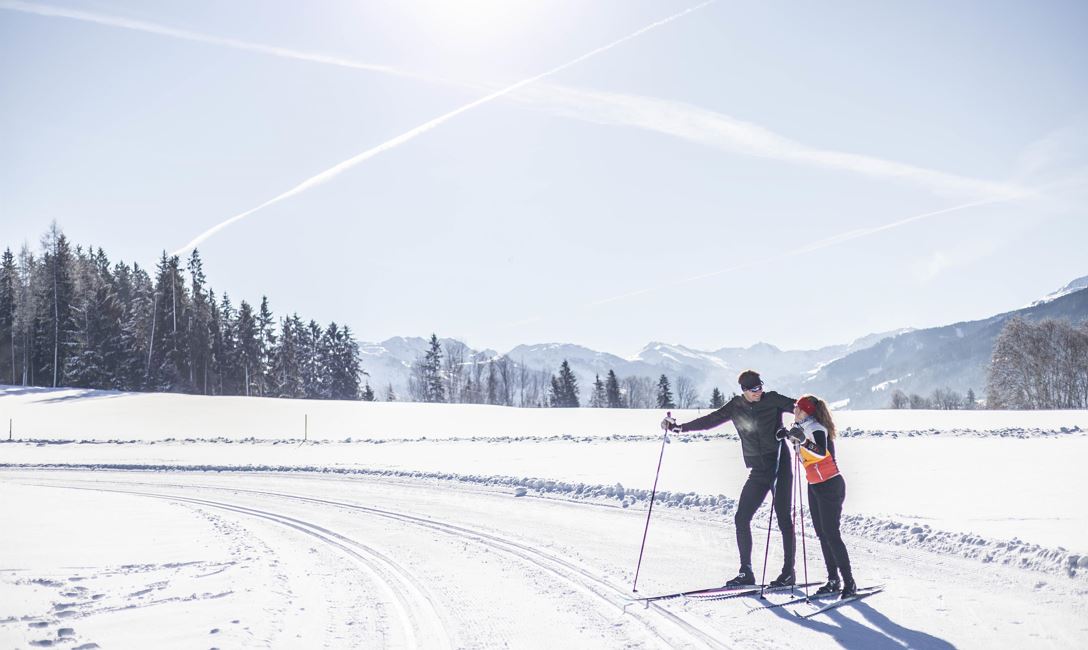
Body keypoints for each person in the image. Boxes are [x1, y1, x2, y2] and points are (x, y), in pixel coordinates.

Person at [662, 370, 797, 588]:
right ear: (744, 390)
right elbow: (709, 421)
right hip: (758, 469)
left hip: (779, 464)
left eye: (760, 386)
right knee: (741, 517)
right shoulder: (736, 406)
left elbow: (798, 407)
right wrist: (679, 428)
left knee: (783, 518)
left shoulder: (772, 399)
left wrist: (799, 421)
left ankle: (788, 572)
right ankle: (746, 572)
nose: (759, 392)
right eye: (754, 389)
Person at [777, 394, 857, 599]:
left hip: (830, 485)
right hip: (815, 486)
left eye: (798, 409)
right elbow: (804, 453)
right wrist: (787, 435)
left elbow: (821, 452)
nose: (794, 411)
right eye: (795, 408)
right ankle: (833, 580)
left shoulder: (816, 428)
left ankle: (849, 583)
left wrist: (802, 440)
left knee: (832, 534)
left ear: (807, 412)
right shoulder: (802, 428)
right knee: (822, 534)